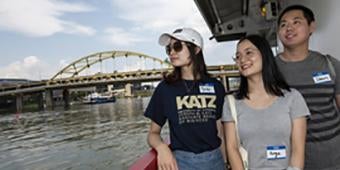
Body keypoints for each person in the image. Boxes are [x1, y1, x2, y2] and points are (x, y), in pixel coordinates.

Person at [222, 34, 310, 170]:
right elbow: (232, 148)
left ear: (265, 54)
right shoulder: (231, 103)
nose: (242, 60)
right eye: (238, 56)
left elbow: (298, 149)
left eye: (249, 53)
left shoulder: (292, 98)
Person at [144, 27, 226, 170]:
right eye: (168, 49)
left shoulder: (216, 87)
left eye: (177, 47)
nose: (172, 52)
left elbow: (220, 128)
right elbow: (153, 133)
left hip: (216, 160)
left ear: (196, 50)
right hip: (182, 163)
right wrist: (162, 148)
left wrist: (226, 160)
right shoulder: (165, 89)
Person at [276, 4, 340, 170]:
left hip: (331, 156)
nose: (288, 28)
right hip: (286, 158)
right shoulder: (270, 70)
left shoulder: (330, 65)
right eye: (283, 24)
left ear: (311, 26)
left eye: (296, 22)